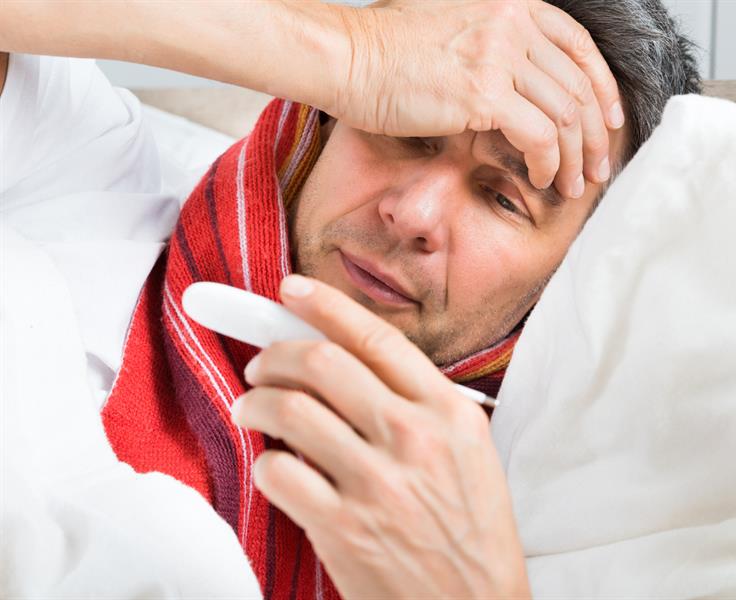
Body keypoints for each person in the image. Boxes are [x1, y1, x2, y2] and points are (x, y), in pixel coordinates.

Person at [0, 0, 699, 597]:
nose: (414, 213)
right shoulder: (88, 181)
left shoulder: (587, 533)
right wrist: (354, 53)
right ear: (327, 119)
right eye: (407, 132)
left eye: (502, 198)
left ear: (575, 276)